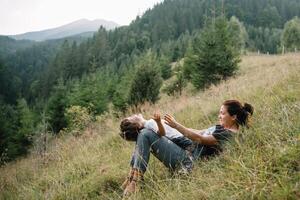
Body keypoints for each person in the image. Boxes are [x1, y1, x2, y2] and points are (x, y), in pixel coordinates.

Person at [120, 100, 254, 196]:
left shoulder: (228, 134)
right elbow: (198, 132)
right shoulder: (220, 128)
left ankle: (135, 181)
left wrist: (176, 125)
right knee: (145, 132)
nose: (219, 116)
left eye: (222, 113)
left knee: (145, 133)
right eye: (219, 113)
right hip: (185, 148)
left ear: (234, 117)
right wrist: (173, 127)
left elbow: (200, 139)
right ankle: (133, 176)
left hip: (189, 161)